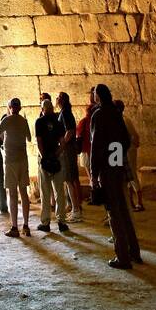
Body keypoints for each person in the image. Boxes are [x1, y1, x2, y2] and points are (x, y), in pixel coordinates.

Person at [90, 83, 142, 270]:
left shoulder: (99, 114)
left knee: (113, 212)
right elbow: (125, 140)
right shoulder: (115, 113)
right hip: (117, 165)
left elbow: (96, 146)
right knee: (124, 210)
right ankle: (134, 252)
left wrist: (94, 173)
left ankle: (123, 257)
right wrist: (116, 159)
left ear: (98, 96)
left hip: (107, 168)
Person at [0, 98, 32, 238]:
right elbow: (29, 138)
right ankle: (26, 226)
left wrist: (4, 132)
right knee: (24, 193)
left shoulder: (7, 120)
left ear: (9, 107)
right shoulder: (23, 120)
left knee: (12, 194)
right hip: (23, 160)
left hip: (10, 161)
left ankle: (15, 226)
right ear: (20, 108)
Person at [35, 98, 70, 234]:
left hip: (45, 159)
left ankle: (46, 222)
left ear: (42, 109)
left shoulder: (39, 122)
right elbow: (62, 141)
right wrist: (56, 155)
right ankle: (61, 221)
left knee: (45, 191)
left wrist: (45, 158)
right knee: (59, 190)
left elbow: (39, 142)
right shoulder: (58, 121)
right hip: (57, 159)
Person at [56, 90, 83, 221]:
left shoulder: (65, 113)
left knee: (69, 179)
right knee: (70, 179)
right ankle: (75, 208)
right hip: (69, 148)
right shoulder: (65, 112)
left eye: (59, 97)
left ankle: (76, 210)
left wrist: (62, 146)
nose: (57, 99)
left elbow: (70, 131)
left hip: (68, 149)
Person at [116, 99, 144, 211]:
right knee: (126, 176)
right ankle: (131, 202)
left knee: (132, 174)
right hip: (122, 150)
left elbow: (135, 136)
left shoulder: (125, 120)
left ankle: (140, 202)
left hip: (128, 150)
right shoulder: (119, 120)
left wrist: (133, 147)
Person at [76, 88, 98, 190]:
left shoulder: (94, 112)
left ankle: (95, 190)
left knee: (91, 170)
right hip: (92, 145)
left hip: (89, 145)